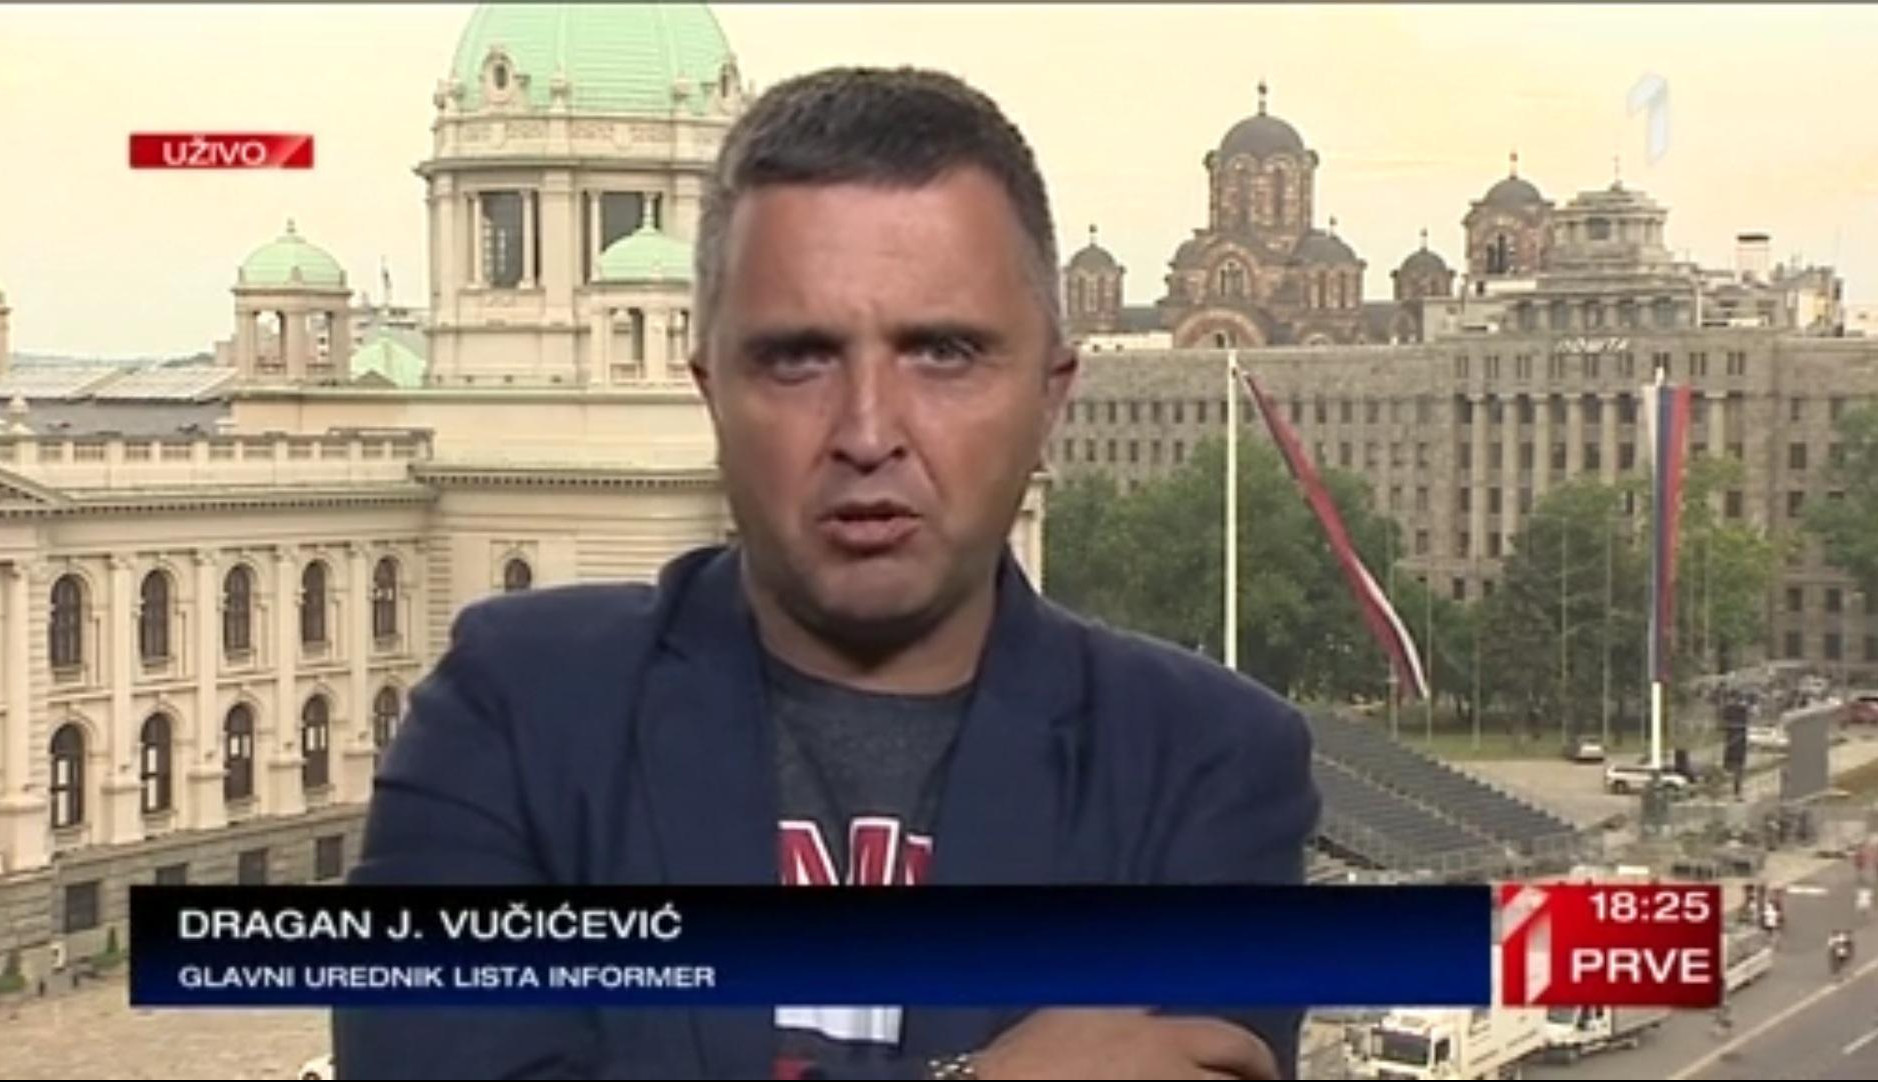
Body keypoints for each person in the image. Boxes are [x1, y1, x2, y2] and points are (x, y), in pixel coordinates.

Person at [332, 66, 1320, 1081]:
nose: (867, 431)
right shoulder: (515, 711)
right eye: (798, 357)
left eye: (942, 352)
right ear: (713, 391)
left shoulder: (1207, 763)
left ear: (1049, 396)